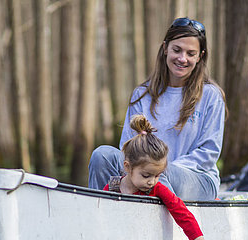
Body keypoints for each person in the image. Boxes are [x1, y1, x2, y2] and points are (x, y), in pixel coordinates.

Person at [89, 17, 226, 201]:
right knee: (102, 155)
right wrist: (146, 169)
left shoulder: (211, 95)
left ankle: (155, 226)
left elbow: (208, 153)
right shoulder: (142, 94)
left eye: (190, 53)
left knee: (160, 173)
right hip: (146, 172)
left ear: (200, 56)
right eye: (177, 50)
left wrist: (158, 168)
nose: (182, 58)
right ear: (165, 48)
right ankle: (101, 214)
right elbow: (127, 148)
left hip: (198, 178)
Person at [103, 114, 222, 240]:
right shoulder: (111, 188)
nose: (152, 181)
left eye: (158, 175)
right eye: (146, 176)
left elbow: (184, 216)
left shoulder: (157, 189)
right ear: (128, 167)